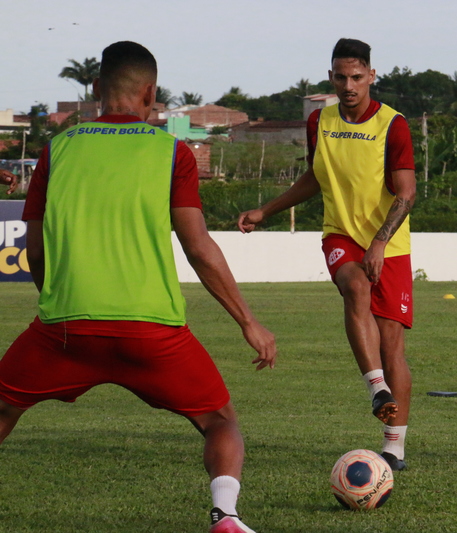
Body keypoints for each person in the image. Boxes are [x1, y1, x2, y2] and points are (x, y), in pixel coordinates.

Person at [0, 41, 275, 533]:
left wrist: (55, 302)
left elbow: (35, 251)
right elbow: (199, 248)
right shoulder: (172, 153)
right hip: (154, 333)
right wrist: (248, 322)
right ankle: (226, 516)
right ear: (150, 93)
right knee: (220, 421)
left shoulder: (55, 150)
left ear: (97, 88)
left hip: (64, 329)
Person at [238, 38, 415, 471]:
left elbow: (407, 193)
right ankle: (376, 388)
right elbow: (315, 178)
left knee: (393, 347)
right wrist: (266, 210)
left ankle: (394, 447)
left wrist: (379, 243)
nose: (349, 85)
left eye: (357, 77)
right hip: (340, 236)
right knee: (354, 286)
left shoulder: (394, 125)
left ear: (372, 75)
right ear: (331, 76)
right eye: (341, 77)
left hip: (389, 244)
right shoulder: (320, 120)